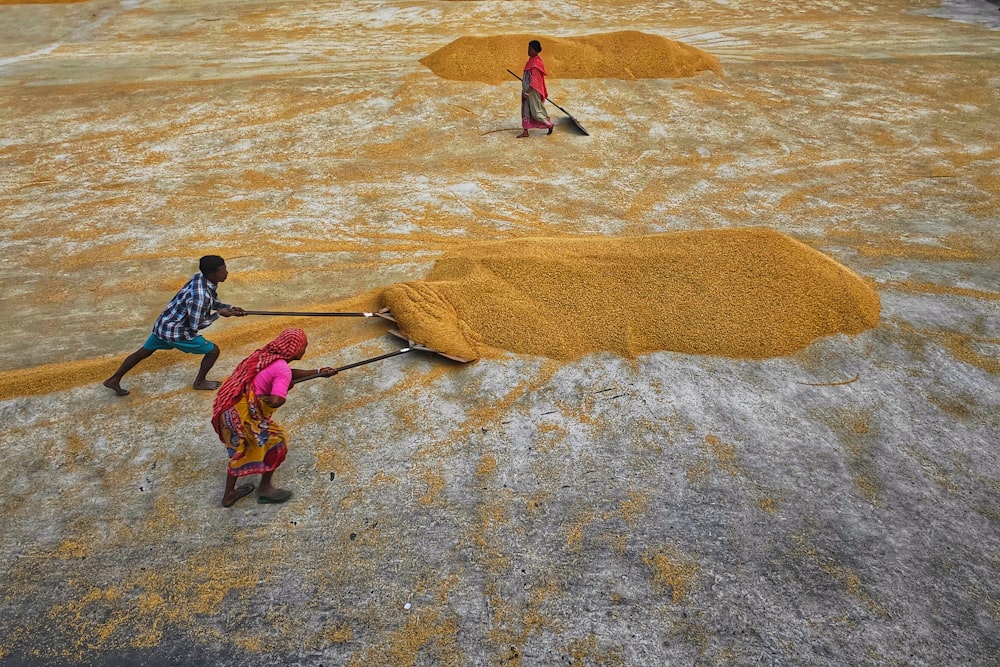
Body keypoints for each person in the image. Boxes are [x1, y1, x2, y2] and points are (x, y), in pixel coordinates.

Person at [212, 328, 337, 507]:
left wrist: (318, 372)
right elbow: (276, 400)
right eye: (304, 346)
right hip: (243, 417)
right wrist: (284, 388)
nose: (305, 349)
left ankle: (230, 494)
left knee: (240, 449)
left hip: (230, 410)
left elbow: (286, 372)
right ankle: (264, 489)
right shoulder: (282, 370)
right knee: (277, 443)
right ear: (294, 349)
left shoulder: (267, 356)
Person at [103, 255, 246, 396]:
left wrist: (231, 308)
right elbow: (196, 325)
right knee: (213, 351)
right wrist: (219, 314)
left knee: (144, 352)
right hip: (176, 333)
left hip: (164, 325)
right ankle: (200, 382)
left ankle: (114, 379)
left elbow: (212, 301)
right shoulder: (200, 296)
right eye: (222, 271)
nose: (226, 273)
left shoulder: (199, 278)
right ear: (211, 275)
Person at [517, 40, 554, 138]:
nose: (528, 51)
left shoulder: (536, 64)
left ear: (536, 51)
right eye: (528, 49)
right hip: (526, 91)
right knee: (525, 110)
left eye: (530, 49)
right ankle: (525, 132)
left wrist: (528, 93)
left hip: (532, 93)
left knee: (535, 111)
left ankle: (549, 124)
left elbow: (534, 81)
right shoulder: (530, 61)